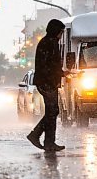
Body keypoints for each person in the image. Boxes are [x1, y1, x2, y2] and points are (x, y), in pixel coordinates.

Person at [27, 19, 67, 152]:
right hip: (47, 83)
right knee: (52, 111)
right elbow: (48, 66)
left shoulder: (48, 42)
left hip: (48, 82)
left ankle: (40, 137)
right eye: (61, 32)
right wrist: (60, 74)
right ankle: (46, 140)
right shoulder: (49, 43)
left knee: (53, 111)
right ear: (56, 31)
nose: (61, 35)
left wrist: (62, 73)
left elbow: (52, 65)